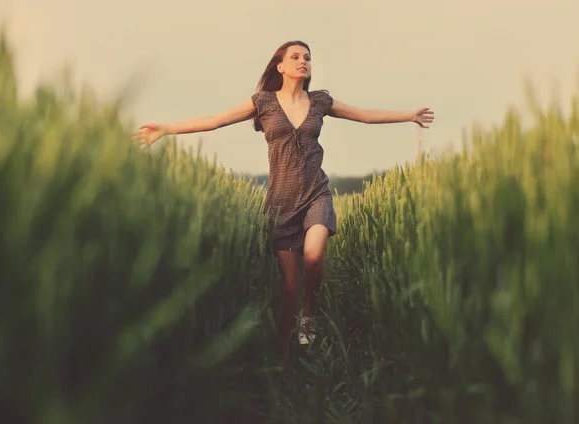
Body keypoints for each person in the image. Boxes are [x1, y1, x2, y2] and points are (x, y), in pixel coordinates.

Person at [132, 40, 434, 360]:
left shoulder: (320, 101)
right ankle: (284, 354)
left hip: (315, 191)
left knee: (314, 257)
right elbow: (215, 120)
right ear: (281, 67)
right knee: (289, 287)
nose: (303, 61)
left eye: (307, 57)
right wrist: (165, 129)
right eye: (295, 57)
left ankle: (310, 316)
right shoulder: (263, 102)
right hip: (280, 203)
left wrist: (409, 115)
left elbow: (365, 116)